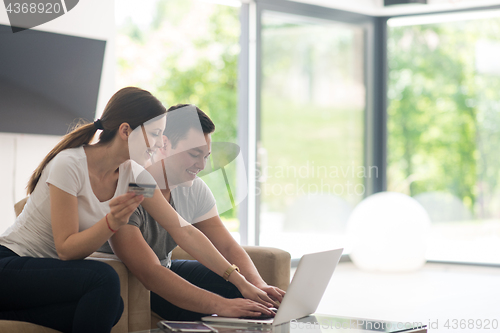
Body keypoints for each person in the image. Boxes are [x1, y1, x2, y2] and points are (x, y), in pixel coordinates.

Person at [0, 88, 273, 333]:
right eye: (154, 134)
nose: (158, 144)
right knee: (103, 281)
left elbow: (183, 231)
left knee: (110, 307)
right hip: (11, 264)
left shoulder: (134, 177)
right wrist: (112, 222)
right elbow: (66, 249)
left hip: (51, 274)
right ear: (126, 131)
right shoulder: (69, 164)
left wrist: (240, 280)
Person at [99, 104, 285, 321]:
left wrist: (257, 285)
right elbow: (149, 272)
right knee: (228, 303)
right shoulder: (129, 187)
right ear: (163, 144)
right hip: (132, 280)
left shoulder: (194, 188)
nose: (202, 165)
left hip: (166, 267)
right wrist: (223, 305)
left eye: (206, 156)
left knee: (253, 300)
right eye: (195, 154)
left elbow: (226, 245)